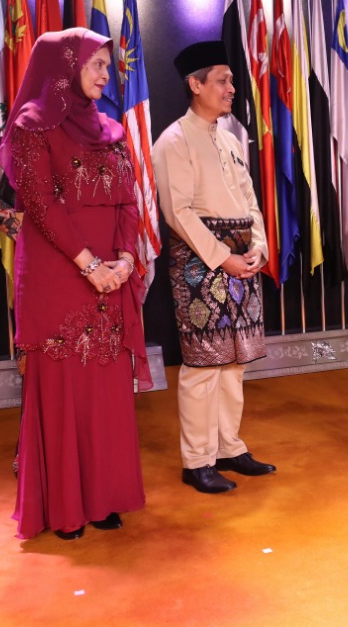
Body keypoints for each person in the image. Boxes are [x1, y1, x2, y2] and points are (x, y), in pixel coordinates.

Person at [0, 27, 149, 539]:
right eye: (96, 64)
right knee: (65, 388)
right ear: (66, 65)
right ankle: (64, 506)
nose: (107, 74)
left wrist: (125, 259)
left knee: (105, 392)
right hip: (60, 277)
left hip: (110, 278)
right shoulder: (32, 124)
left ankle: (103, 497)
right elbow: (40, 204)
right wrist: (91, 266)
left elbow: (129, 199)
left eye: (108, 65)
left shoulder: (112, 129)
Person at [152, 40, 275, 495]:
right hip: (200, 263)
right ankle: (197, 460)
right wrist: (224, 257)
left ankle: (228, 447)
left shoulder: (230, 139)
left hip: (242, 260)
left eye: (231, 80)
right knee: (204, 364)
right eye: (222, 80)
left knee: (235, 362)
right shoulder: (173, 141)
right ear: (195, 84)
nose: (231, 88)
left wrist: (259, 248)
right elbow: (178, 212)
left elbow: (249, 201)